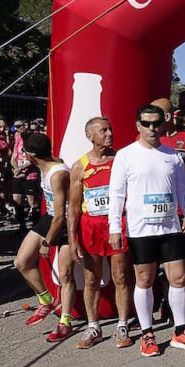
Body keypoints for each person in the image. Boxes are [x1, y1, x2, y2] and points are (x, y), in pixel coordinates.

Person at [108, 104, 185, 357]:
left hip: (170, 227)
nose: (152, 128)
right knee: (145, 280)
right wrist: (114, 227)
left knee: (180, 278)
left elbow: (182, 193)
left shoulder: (172, 156)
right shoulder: (125, 155)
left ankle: (180, 331)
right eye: (146, 123)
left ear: (164, 124)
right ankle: (147, 333)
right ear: (137, 125)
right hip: (141, 230)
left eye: (156, 123)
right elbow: (116, 194)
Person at [68, 117, 134, 349]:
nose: (109, 133)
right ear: (90, 136)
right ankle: (93, 326)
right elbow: (73, 207)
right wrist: (72, 238)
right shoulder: (80, 165)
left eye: (110, 129)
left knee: (121, 277)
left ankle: (123, 324)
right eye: (103, 130)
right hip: (91, 227)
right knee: (91, 278)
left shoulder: (121, 159)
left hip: (117, 225)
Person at [12, 133, 74, 341]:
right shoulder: (42, 164)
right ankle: (46, 300)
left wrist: (48, 242)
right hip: (50, 218)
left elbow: (59, 217)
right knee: (22, 261)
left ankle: (65, 322)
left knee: (65, 274)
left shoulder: (57, 174)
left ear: (31, 155)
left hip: (66, 222)